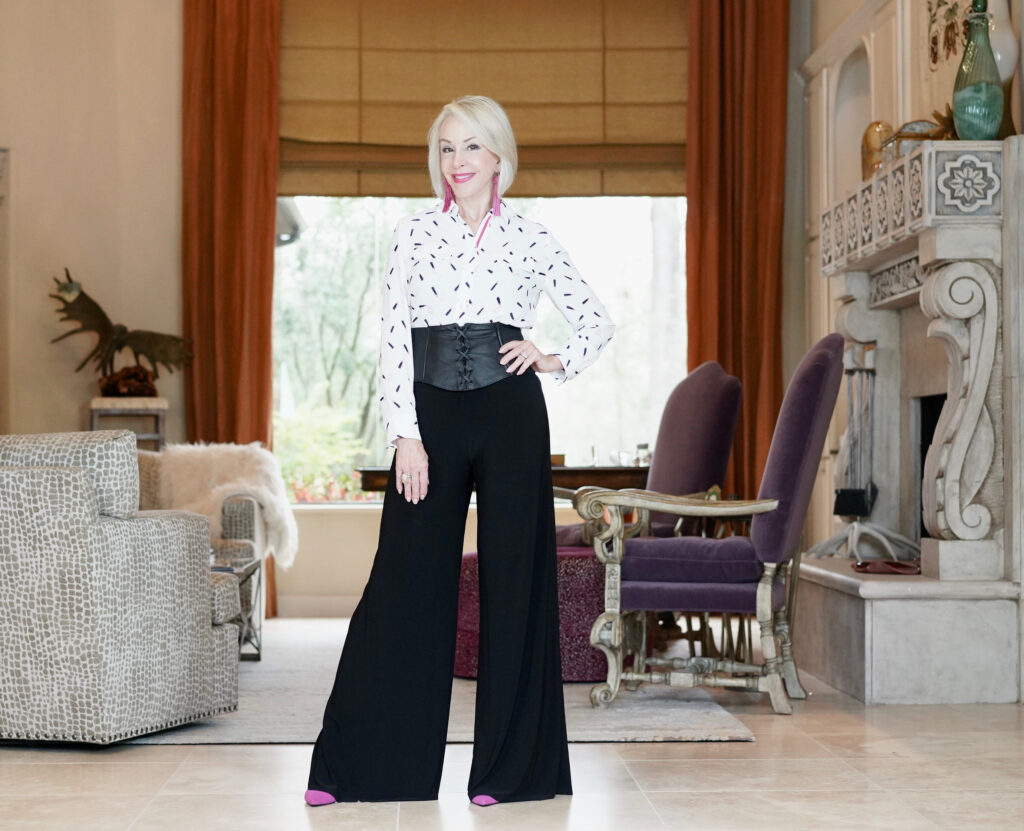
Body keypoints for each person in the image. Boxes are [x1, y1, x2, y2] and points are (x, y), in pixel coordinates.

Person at [305, 95, 614, 807]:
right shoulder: (411, 235)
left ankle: (512, 772)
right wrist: (404, 436)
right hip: (432, 413)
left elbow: (597, 320)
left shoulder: (532, 238)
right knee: (404, 586)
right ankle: (362, 768)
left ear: (498, 157)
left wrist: (549, 357)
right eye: (446, 149)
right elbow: (391, 339)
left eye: (471, 147)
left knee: (515, 585)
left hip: (510, 414)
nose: (457, 162)